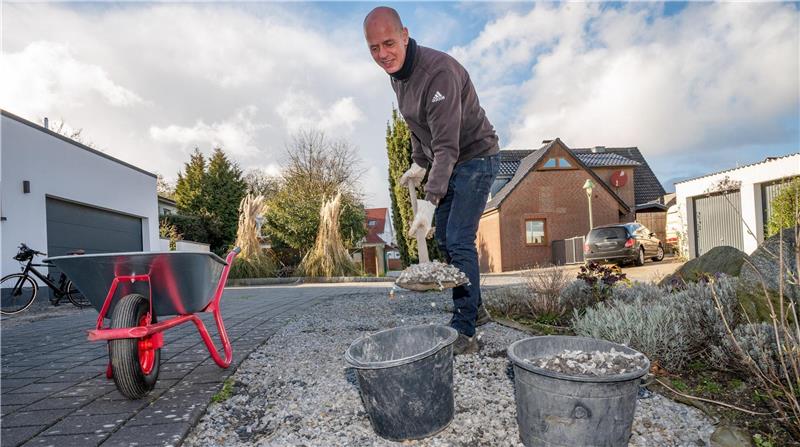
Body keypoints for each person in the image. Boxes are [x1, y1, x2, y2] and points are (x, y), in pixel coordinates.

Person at [364, 6, 500, 354]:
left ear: (405, 36)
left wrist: (429, 199)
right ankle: (476, 307)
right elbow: (415, 123)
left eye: (389, 43)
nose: (383, 54)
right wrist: (418, 163)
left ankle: (465, 330)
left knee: (457, 239)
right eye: (374, 48)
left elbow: (447, 146)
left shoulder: (438, 73)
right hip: (447, 159)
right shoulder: (397, 75)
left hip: (476, 157)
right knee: (443, 236)